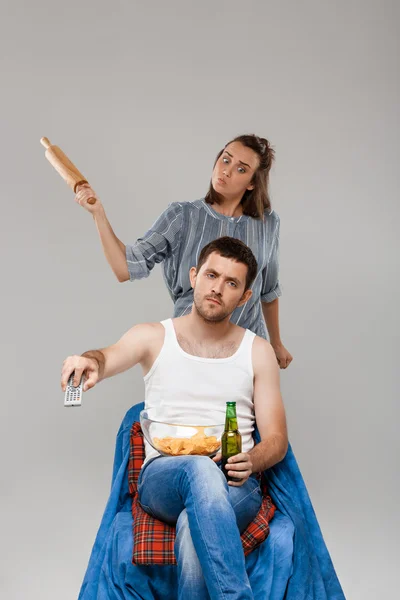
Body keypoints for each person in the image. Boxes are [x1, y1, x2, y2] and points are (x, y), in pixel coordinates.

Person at [62, 237, 288, 600]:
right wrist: (91, 361)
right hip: (163, 478)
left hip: (235, 483)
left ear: (245, 297)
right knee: (198, 469)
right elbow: (108, 356)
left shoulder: (258, 352)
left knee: (191, 525)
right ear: (194, 276)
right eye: (212, 275)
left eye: (232, 283)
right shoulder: (153, 336)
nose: (218, 288)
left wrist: (253, 459)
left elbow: (276, 439)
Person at [73, 134, 293, 369]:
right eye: (226, 160)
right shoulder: (182, 216)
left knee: (242, 407)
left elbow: (268, 290)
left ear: (252, 182)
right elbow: (125, 267)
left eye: (241, 169)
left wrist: (276, 343)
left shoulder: (267, 223)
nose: (226, 171)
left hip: (246, 353)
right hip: (191, 350)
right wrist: (98, 213)